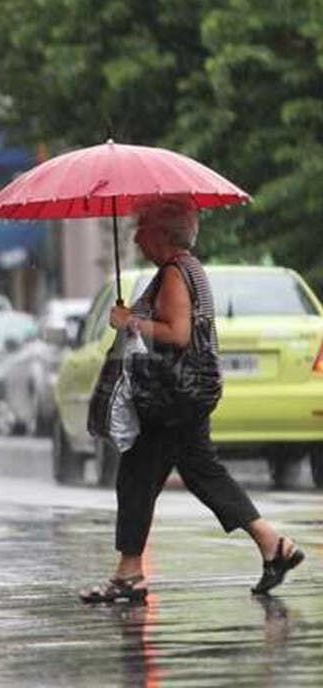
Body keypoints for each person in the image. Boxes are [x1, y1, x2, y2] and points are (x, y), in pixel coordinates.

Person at [80, 200, 304, 603]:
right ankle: (274, 546)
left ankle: (130, 574)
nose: (135, 235)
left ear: (164, 233)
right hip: (187, 393)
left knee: (136, 476)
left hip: (171, 396)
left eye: (143, 227)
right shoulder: (190, 269)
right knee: (201, 473)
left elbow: (178, 334)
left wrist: (129, 321)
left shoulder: (173, 273)